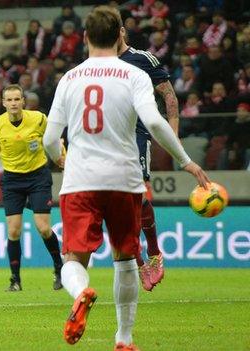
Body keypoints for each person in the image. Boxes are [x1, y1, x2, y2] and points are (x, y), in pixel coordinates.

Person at [42, 6, 209, 350]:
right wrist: (186, 161)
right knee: (125, 257)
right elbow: (156, 122)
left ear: (85, 37)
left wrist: (60, 158)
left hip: (80, 181)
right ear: (120, 35)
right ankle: (124, 339)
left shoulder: (69, 79)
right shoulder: (134, 75)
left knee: (73, 259)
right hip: (124, 179)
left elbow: (49, 138)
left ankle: (81, 292)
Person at [0, 84, 65, 292]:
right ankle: (15, 280)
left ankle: (59, 268)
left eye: (16, 99)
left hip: (38, 176)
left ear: (23, 101)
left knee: (44, 228)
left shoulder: (38, 119)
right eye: (9, 100)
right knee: (13, 230)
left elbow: (54, 139)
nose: (13, 103)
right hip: (12, 180)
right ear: (3, 103)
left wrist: (62, 158)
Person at [118, 26, 180, 291]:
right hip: (106, 140)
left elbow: (168, 95)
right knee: (117, 206)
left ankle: (153, 254)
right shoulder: (96, 64)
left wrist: (173, 137)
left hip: (136, 135)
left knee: (139, 197)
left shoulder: (143, 59)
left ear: (121, 32)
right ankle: (139, 261)